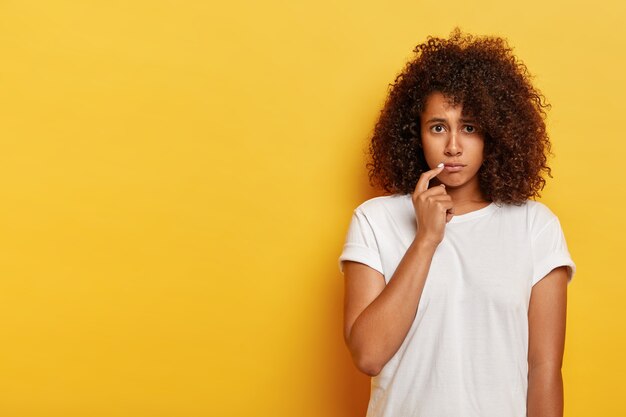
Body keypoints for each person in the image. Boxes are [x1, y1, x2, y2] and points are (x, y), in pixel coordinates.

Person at [338, 29, 575, 417]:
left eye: (469, 127)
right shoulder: (375, 220)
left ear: (494, 134)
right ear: (415, 134)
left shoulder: (535, 227)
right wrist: (426, 240)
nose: (453, 146)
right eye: (437, 127)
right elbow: (368, 355)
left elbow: (544, 369)